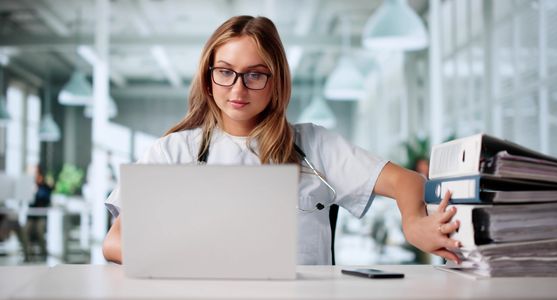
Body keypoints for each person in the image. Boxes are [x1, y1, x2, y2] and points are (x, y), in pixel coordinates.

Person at [102, 15, 461, 265]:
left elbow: (407, 181)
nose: (238, 88)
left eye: (255, 75)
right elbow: (115, 242)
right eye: (226, 72)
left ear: (276, 82)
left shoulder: (314, 146)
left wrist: (414, 222)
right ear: (209, 77)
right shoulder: (172, 152)